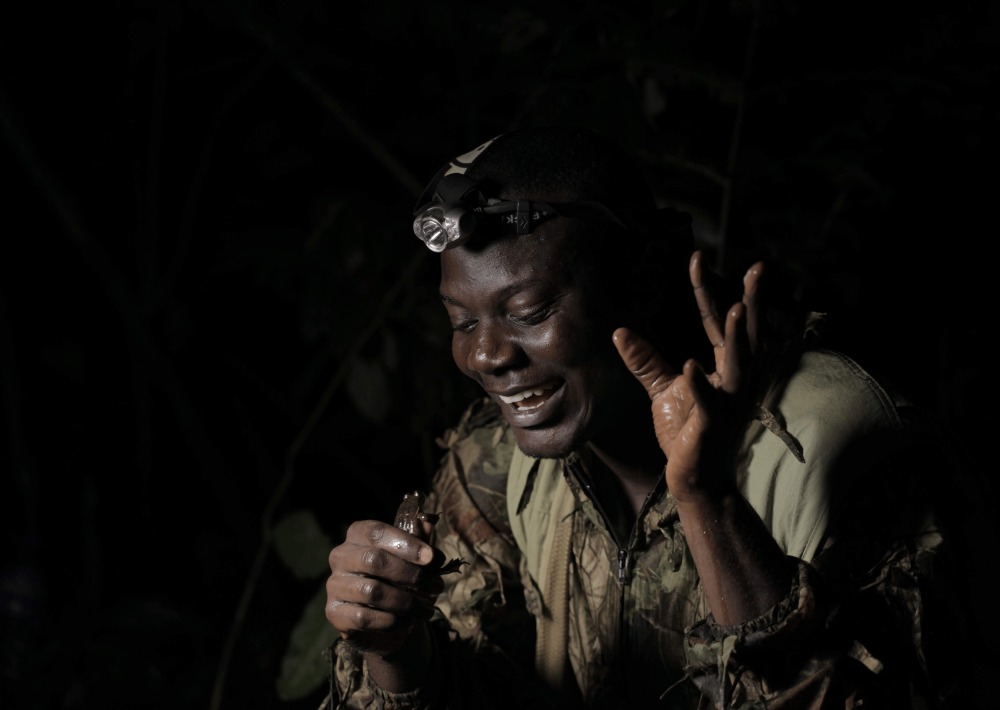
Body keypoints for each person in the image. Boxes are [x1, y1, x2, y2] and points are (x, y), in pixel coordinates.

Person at [321, 125, 992, 708]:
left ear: (641, 278)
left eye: (529, 313)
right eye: (462, 321)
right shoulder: (501, 463)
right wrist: (393, 646)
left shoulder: (834, 445)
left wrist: (708, 503)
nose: (487, 354)